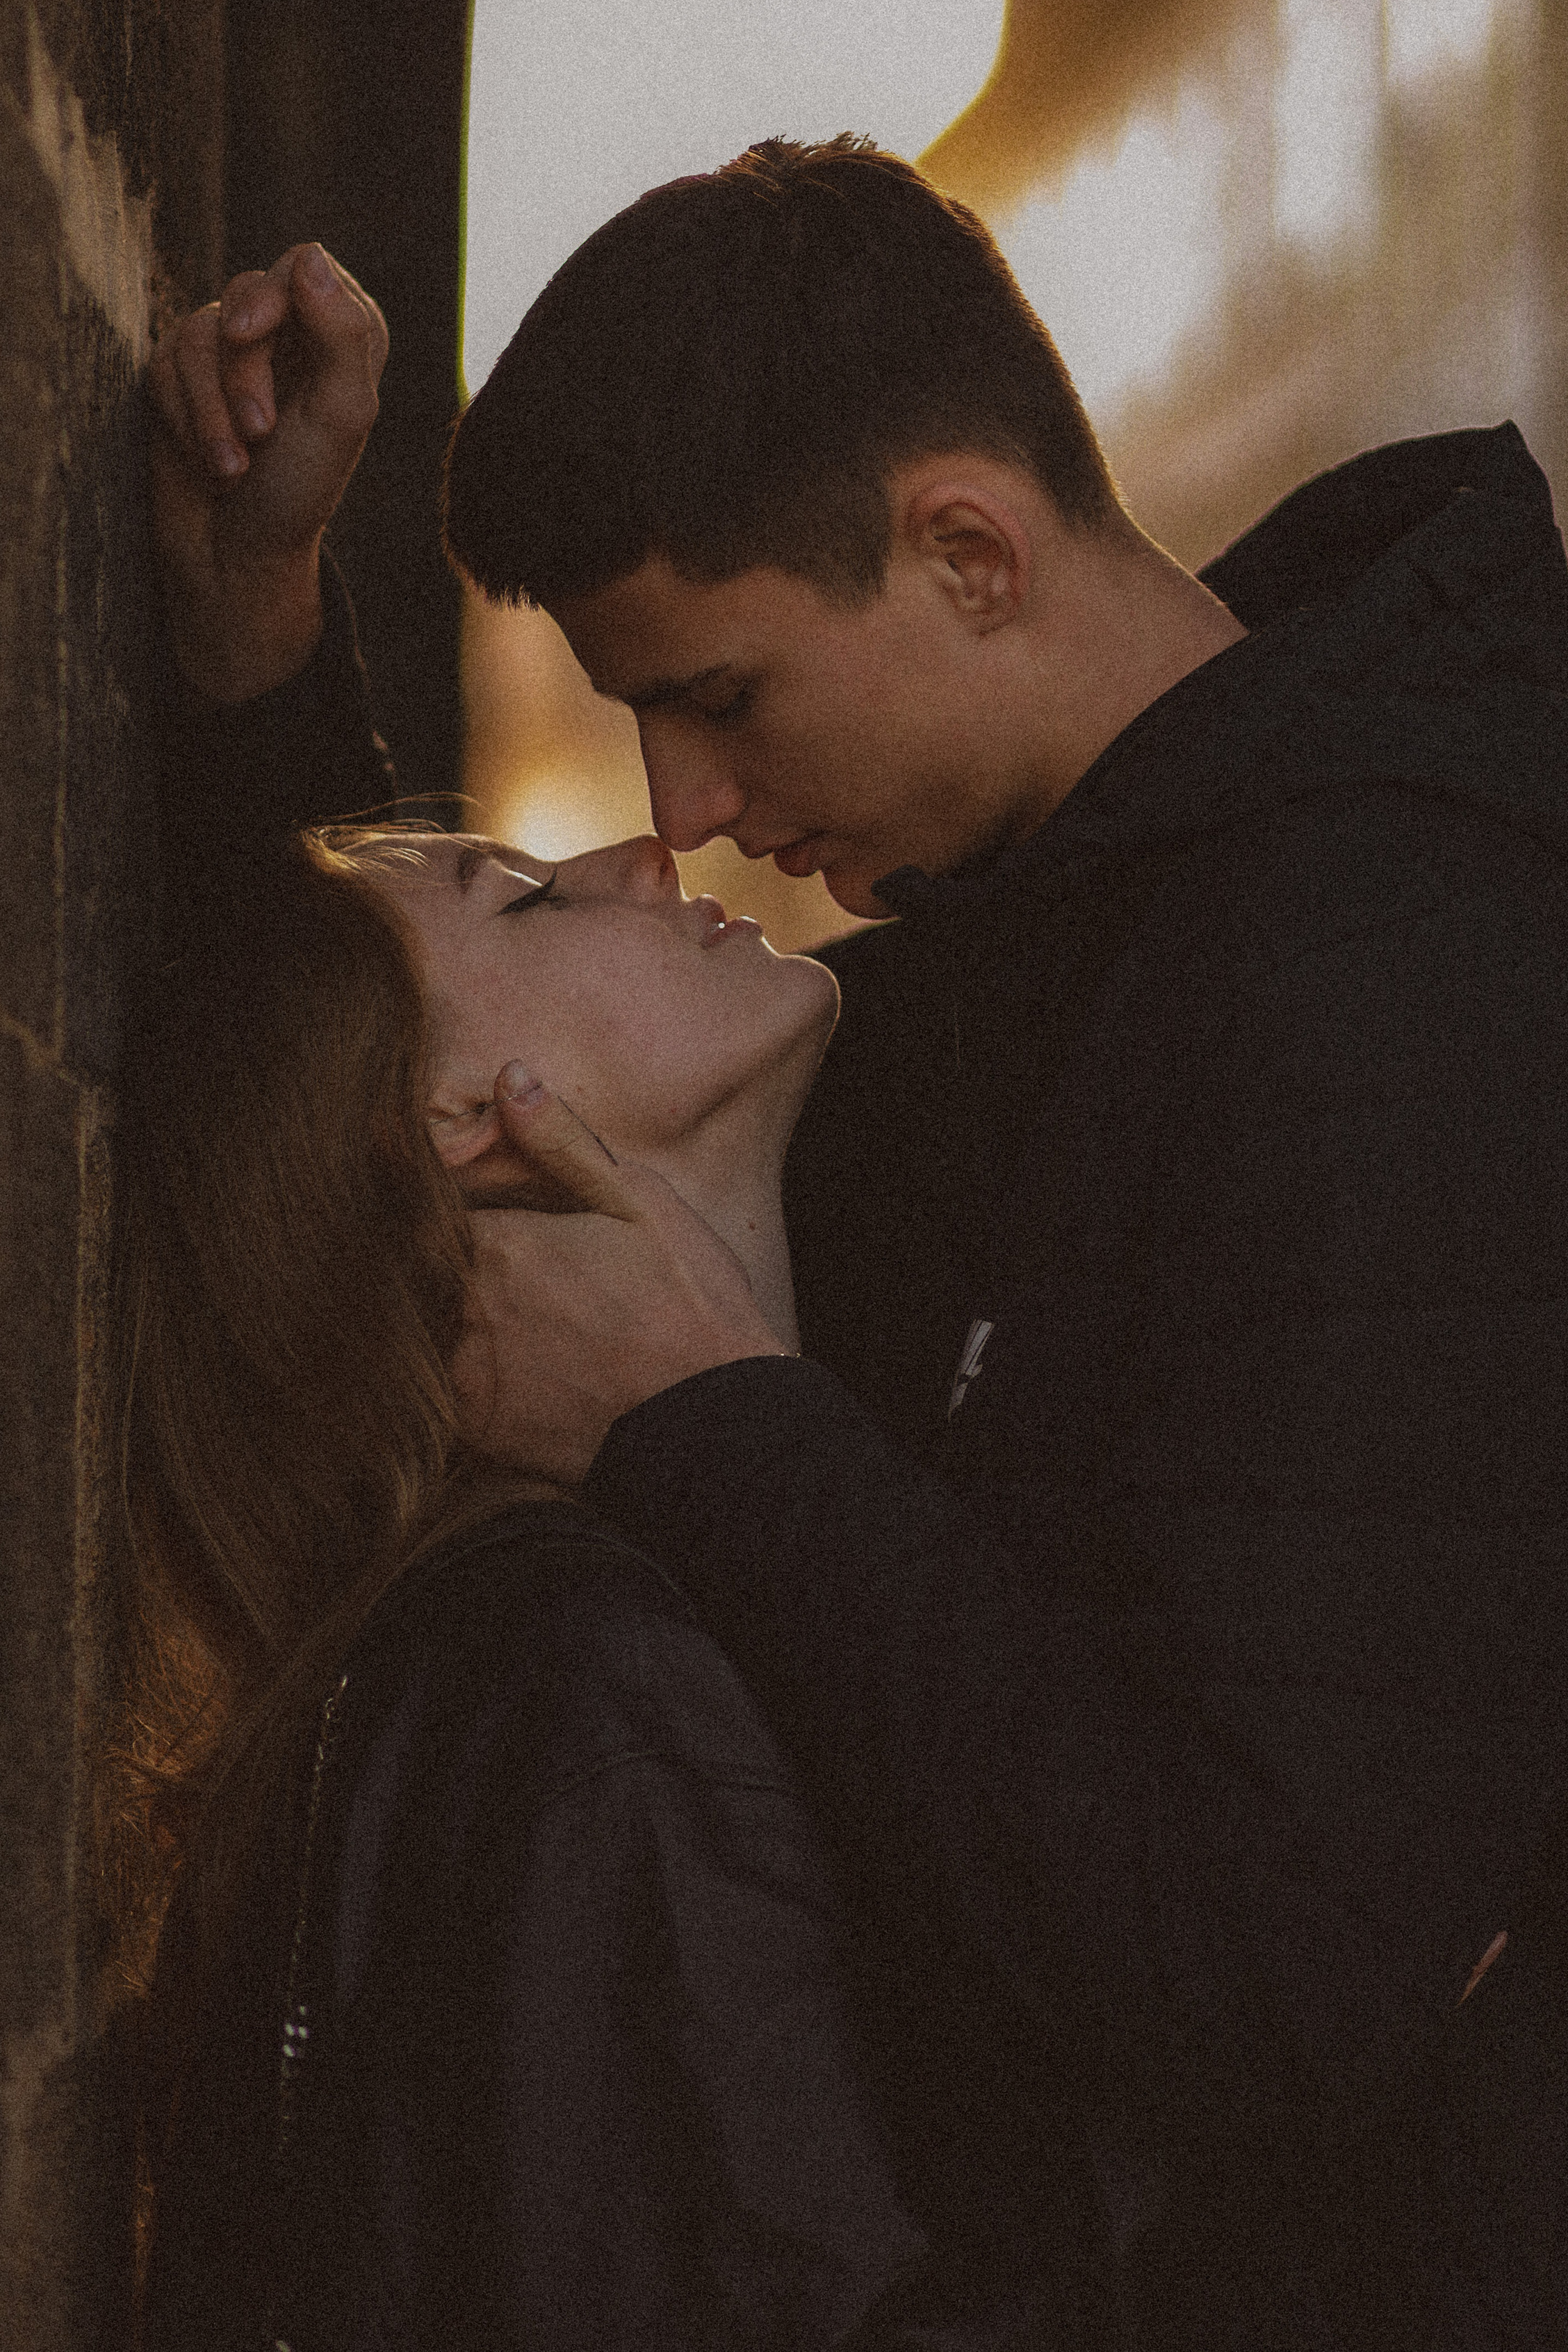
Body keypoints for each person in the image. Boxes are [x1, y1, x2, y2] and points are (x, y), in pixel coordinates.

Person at [149, 147, 1568, 2347]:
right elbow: (431, 1103)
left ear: (970, 553)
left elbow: (1269, 1973)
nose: (686, 808)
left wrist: (708, 1428)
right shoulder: (1065, 974)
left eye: (722, 693)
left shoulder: (1399, 1012)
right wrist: (256, 647)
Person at [116, 822, 1086, 2349]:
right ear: (448, 1116)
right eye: (529, 898)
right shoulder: (588, 1691)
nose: (642, 853)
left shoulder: (546, 1644)